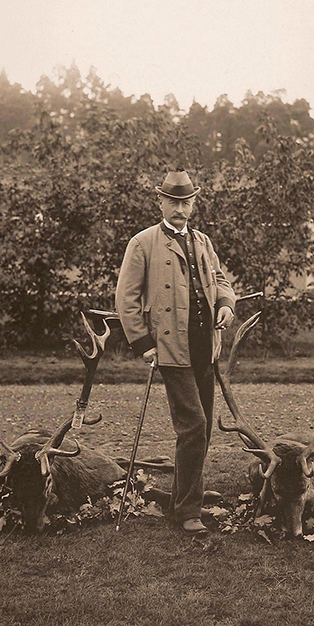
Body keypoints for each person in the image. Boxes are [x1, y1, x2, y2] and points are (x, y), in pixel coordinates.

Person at [115, 169, 235, 535]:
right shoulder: (143, 243)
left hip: (205, 347)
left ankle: (185, 495)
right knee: (193, 426)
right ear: (161, 202)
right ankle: (187, 511)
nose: (180, 208)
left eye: (186, 202)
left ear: (193, 204)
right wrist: (143, 344)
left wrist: (227, 303)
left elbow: (220, 279)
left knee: (199, 431)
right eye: (174, 201)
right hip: (170, 349)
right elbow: (126, 298)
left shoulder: (203, 241)